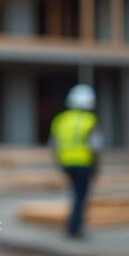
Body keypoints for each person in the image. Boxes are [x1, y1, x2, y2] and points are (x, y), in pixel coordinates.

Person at [49, 84, 103, 240]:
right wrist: (97, 167)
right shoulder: (89, 120)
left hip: (66, 163)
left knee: (75, 195)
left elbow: (54, 144)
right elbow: (96, 146)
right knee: (81, 196)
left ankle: (73, 224)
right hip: (84, 164)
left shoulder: (60, 119)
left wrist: (59, 162)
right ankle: (75, 227)